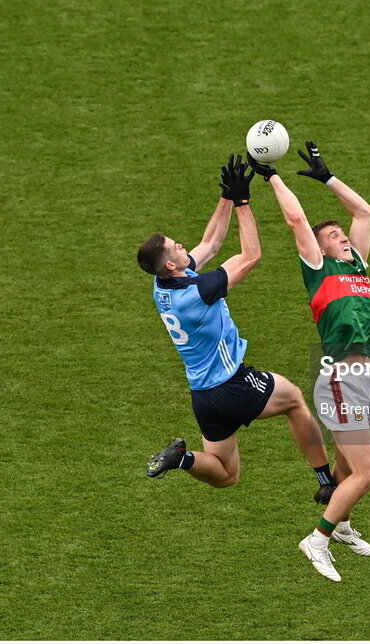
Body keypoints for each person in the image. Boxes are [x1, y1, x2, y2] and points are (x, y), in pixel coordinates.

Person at [138, 155, 335, 503]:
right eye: (175, 246)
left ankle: (182, 459)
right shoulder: (197, 292)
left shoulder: (163, 285)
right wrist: (243, 203)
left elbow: (211, 243)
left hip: (203, 397)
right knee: (294, 400)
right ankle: (325, 480)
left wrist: (227, 196)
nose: (182, 244)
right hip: (232, 385)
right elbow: (250, 256)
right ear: (169, 263)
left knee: (226, 475)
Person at [249, 143, 370, 583]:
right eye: (334, 236)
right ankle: (317, 539)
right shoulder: (320, 270)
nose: (343, 237)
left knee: (346, 466)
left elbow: (364, 212)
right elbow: (297, 221)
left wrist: (328, 178)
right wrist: (273, 176)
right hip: (341, 379)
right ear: (319, 250)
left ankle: (341, 525)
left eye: (342, 234)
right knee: (368, 474)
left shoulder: (358, 266)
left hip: (363, 377)